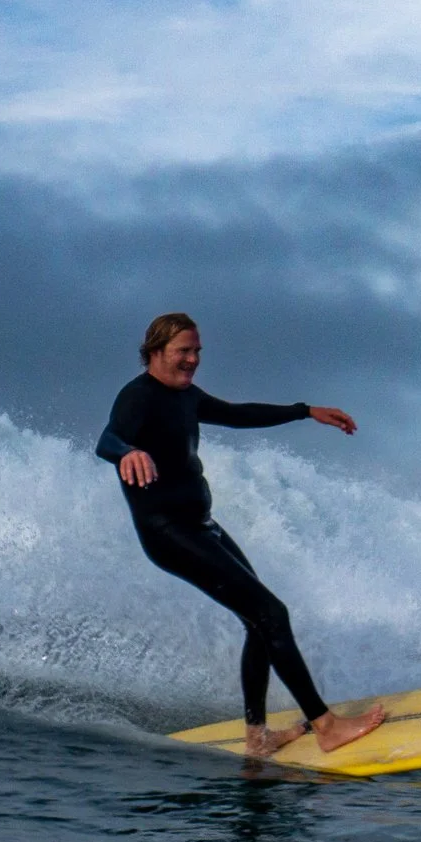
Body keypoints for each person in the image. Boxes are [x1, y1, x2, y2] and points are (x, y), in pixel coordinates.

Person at [98, 313, 386, 760]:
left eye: (197, 352)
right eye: (183, 352)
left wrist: (304, 411)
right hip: (167, 533)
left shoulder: (186, 397)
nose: (193, 360)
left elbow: (237, 415)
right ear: (155, 352)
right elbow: (107, 438)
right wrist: (128, 451)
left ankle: (257, 738)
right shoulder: (137, 398)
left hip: (200, 526)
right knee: (273, 613)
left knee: (259, 620)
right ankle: (327, 727)